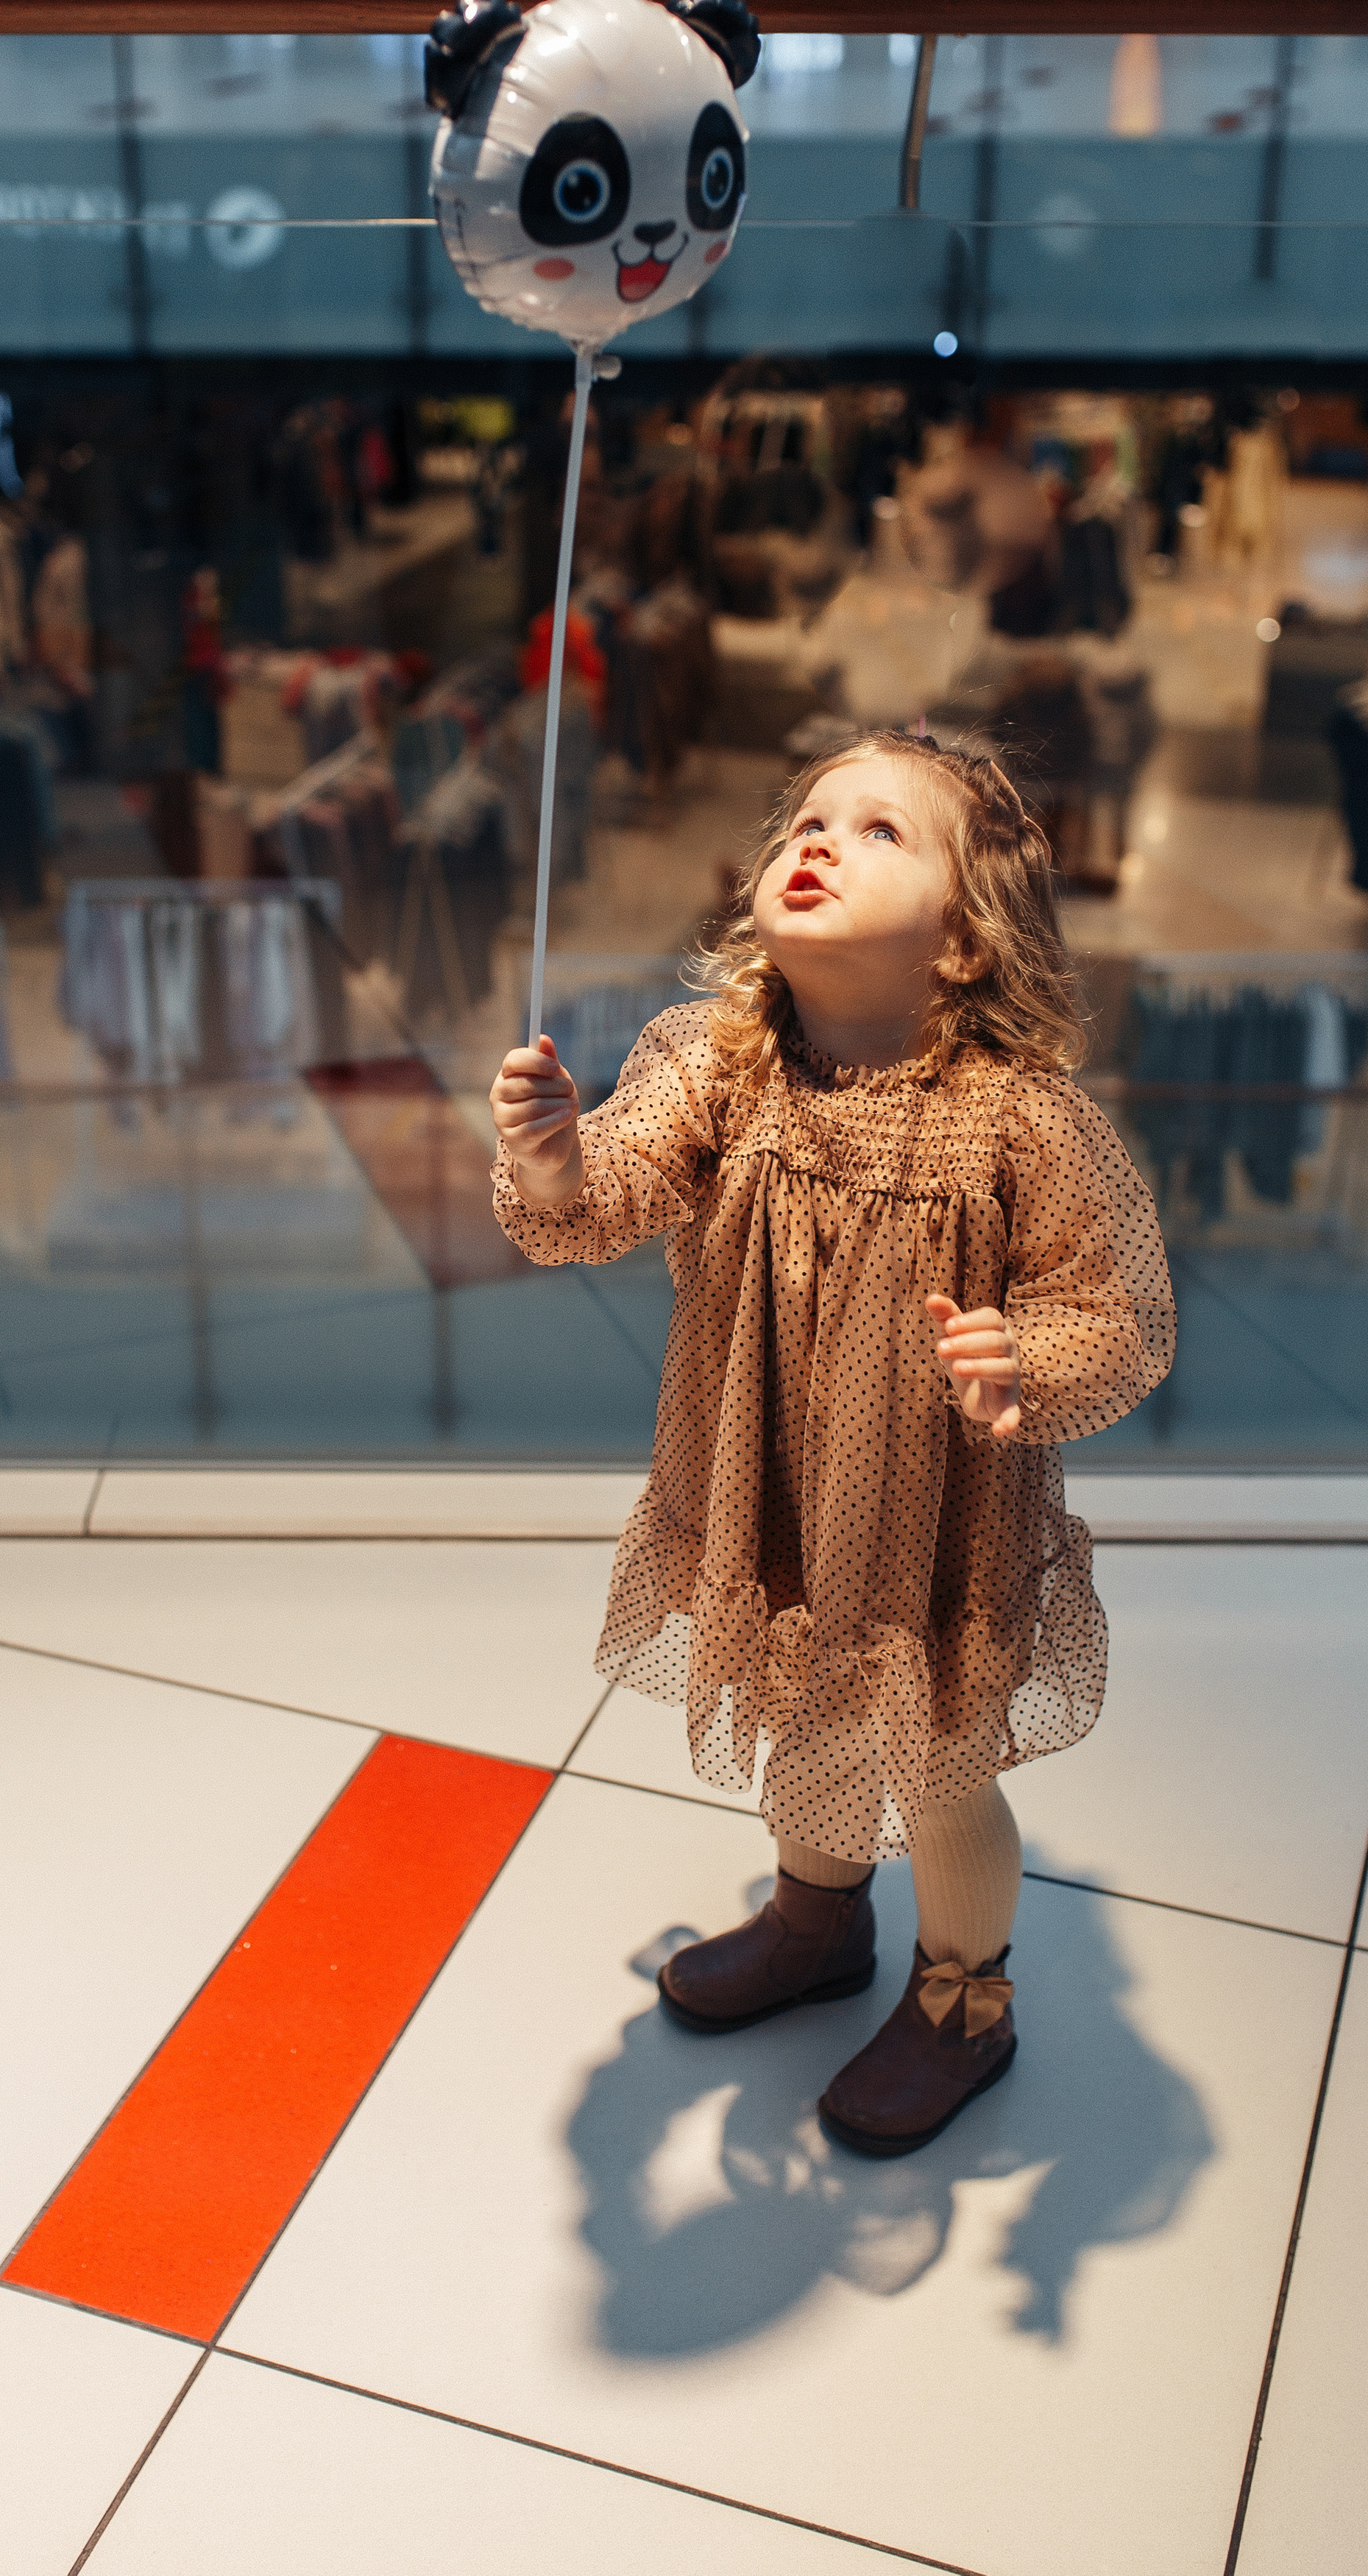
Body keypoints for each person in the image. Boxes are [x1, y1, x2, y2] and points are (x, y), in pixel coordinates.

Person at [488, 730, 1174, 2158]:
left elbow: (1114, 1313)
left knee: (928, 1752)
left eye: (878, 831)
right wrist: (556, 1154)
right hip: (771, 1472)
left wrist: (1021, 1362)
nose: (816, 841)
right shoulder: (713, 1064)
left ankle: (961, 1999)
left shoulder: (1021, 1124)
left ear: (967, 939)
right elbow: (607, 1196)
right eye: (807, 817)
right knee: (806, 1695)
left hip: (930, 1506)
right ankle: (816, 1914)